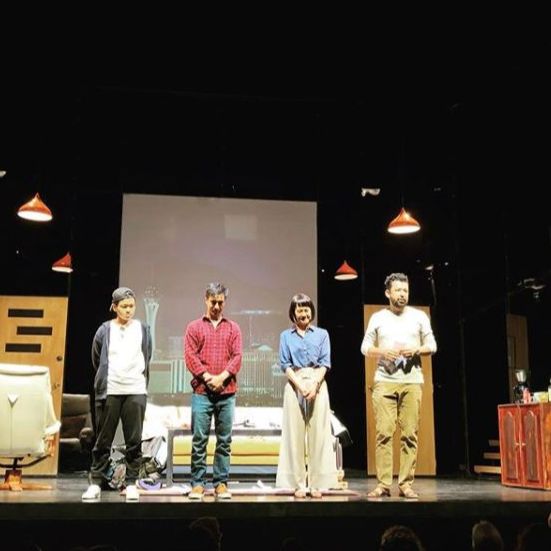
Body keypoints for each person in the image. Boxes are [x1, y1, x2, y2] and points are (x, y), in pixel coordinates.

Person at [361, 273, 437, 499]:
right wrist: (382, 352)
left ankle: (405, 484)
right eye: (398, 290)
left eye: (405, 290)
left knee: (410, 434)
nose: (403, 294)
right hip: (385, 381)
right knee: (384, 433)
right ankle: (383, 484)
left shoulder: (419, 316)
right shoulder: (378, 317)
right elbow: (365, 347)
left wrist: (417, 349)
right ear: (388, 293)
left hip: (412, 381)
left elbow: (432, 345)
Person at [83, 287, 152, 500]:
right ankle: (96, 481)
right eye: (124, 306)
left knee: (134, 440)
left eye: (131, 306)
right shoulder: (105, 330)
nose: (128, 310)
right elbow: (97, 358)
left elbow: (147, 354)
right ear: (114, 307)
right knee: (103, 440)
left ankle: (131, 483)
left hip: (135, 389)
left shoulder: (143, 329)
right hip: (110, 390)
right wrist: (107, 377)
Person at [276, 293, 338, 498]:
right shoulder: (286, 336)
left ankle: (317, 484)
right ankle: (298, 484)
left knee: (319, 434)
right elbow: (285, 365)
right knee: (294, 435)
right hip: (295, 383)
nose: (304, 313)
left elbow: (325, 363)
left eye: (307, 308)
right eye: (299, 309)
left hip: (317, 382)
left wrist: (314, 384)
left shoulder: (322, 334)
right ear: (293, 313)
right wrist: (300, 385)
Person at [184, 282, 242, 500]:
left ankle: (221, 483)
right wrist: (209, 378)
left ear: (225, 302)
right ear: (206, 300)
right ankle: (198, 484)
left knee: (224, 441)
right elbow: (190, 356)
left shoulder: (233, 328)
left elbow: (237, 357)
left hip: (227, 392)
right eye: (213, 302)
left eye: (220, 302)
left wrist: (221, 378)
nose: (217, 306)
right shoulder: (194, 327)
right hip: (202, 392)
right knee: (199, 440)